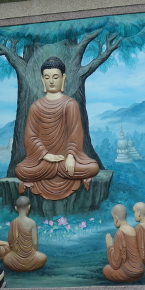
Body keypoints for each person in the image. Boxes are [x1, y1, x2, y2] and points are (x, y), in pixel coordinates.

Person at [15, 57, 99, 201]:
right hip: (44, 162)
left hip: (66, 160)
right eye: (47, 77)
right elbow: (31, 138)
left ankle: (59, 168)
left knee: (93, 167)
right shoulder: (36, 107)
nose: (51, 81)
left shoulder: (70, 104)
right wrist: (46, 155)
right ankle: (56, 169)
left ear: (63, 78)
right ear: (42, 80)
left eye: (55, 77)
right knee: (20, 170)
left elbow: (75, 135)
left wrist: (71, 156)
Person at [3, 196, 47, 272]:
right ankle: (29, 266)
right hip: (31, 258)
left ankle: (18, 267)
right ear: (29, 207)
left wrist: (17, 253)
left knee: (6, 259)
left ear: (16, 208)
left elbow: (10, 242)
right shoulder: (32, 223)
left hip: (15, 259)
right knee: (43, 257)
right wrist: (33, 254)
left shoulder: (13, 222)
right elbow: (35, 243)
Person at [102, 204, 144, 283]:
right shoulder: (132, 229)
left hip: (128, 273)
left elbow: (116, 263)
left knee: (106, 269)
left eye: (113, 218)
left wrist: (110, 246)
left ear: (116, 218)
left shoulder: (119, 233)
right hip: (140, 271)